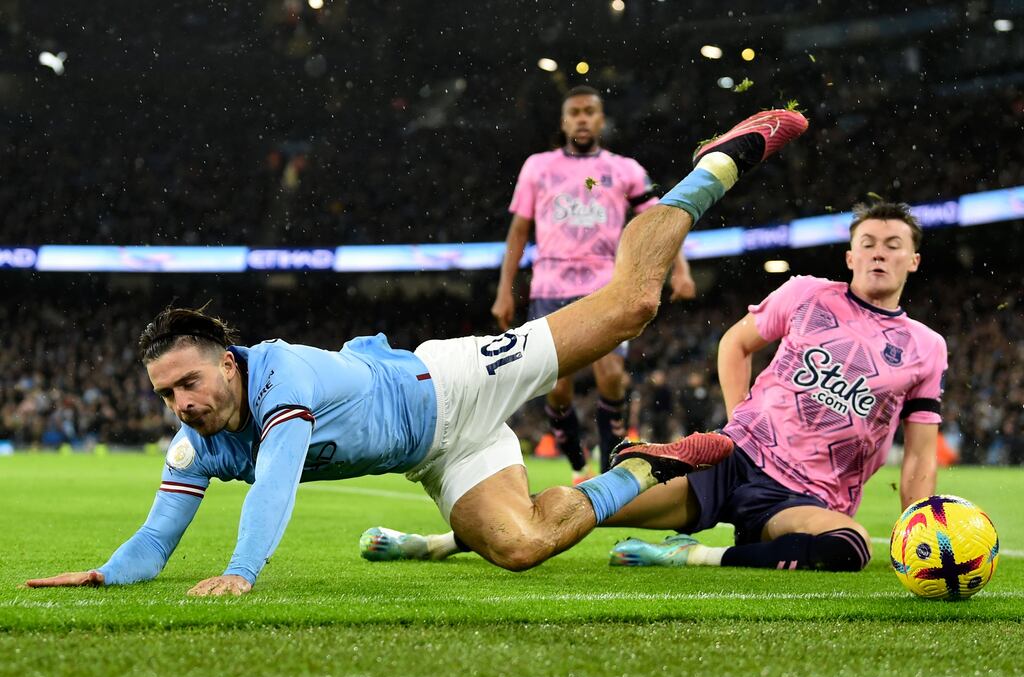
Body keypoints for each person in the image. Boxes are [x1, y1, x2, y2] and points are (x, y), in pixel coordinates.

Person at [25, 108, 807, 595]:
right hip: (436, 450)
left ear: (227, 360)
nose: (181, 406)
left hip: (454, 382)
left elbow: (273, 488)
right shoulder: (193, 441)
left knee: (633, 305)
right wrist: (105, 573)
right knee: (521, 549)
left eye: (188, 383)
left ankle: (711, 168)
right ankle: (642, 469)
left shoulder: (279, 377)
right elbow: (157, 538)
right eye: (166, 396)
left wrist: (240, 572)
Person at [363, 201, 945, 574]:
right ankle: (437, 543)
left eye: (893, 244)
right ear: (849, 255)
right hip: (731, 458)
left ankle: (696, 556)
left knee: (847, 548)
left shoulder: (926, 347)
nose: (879, 252)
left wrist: (920, 528)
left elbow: (919, 458)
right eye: (869, 242)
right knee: (580, 506)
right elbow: (735, 344)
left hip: (804, 498)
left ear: (915, 261)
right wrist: (740, 419)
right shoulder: (806, 294)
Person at [493, 85, 696, 482]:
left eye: (589, 111)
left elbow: (659, 223)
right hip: (550, 288)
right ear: (564, 121)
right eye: (575, 113)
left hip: (606, 284)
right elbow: (518, 231)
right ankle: (576, 464)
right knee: (557, 389)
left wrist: (681, 269)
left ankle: (607, 475)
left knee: (612, 377)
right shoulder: (538, 167)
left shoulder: (625, 169)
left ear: (601, 120)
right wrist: (505, 290)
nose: (582, 119)